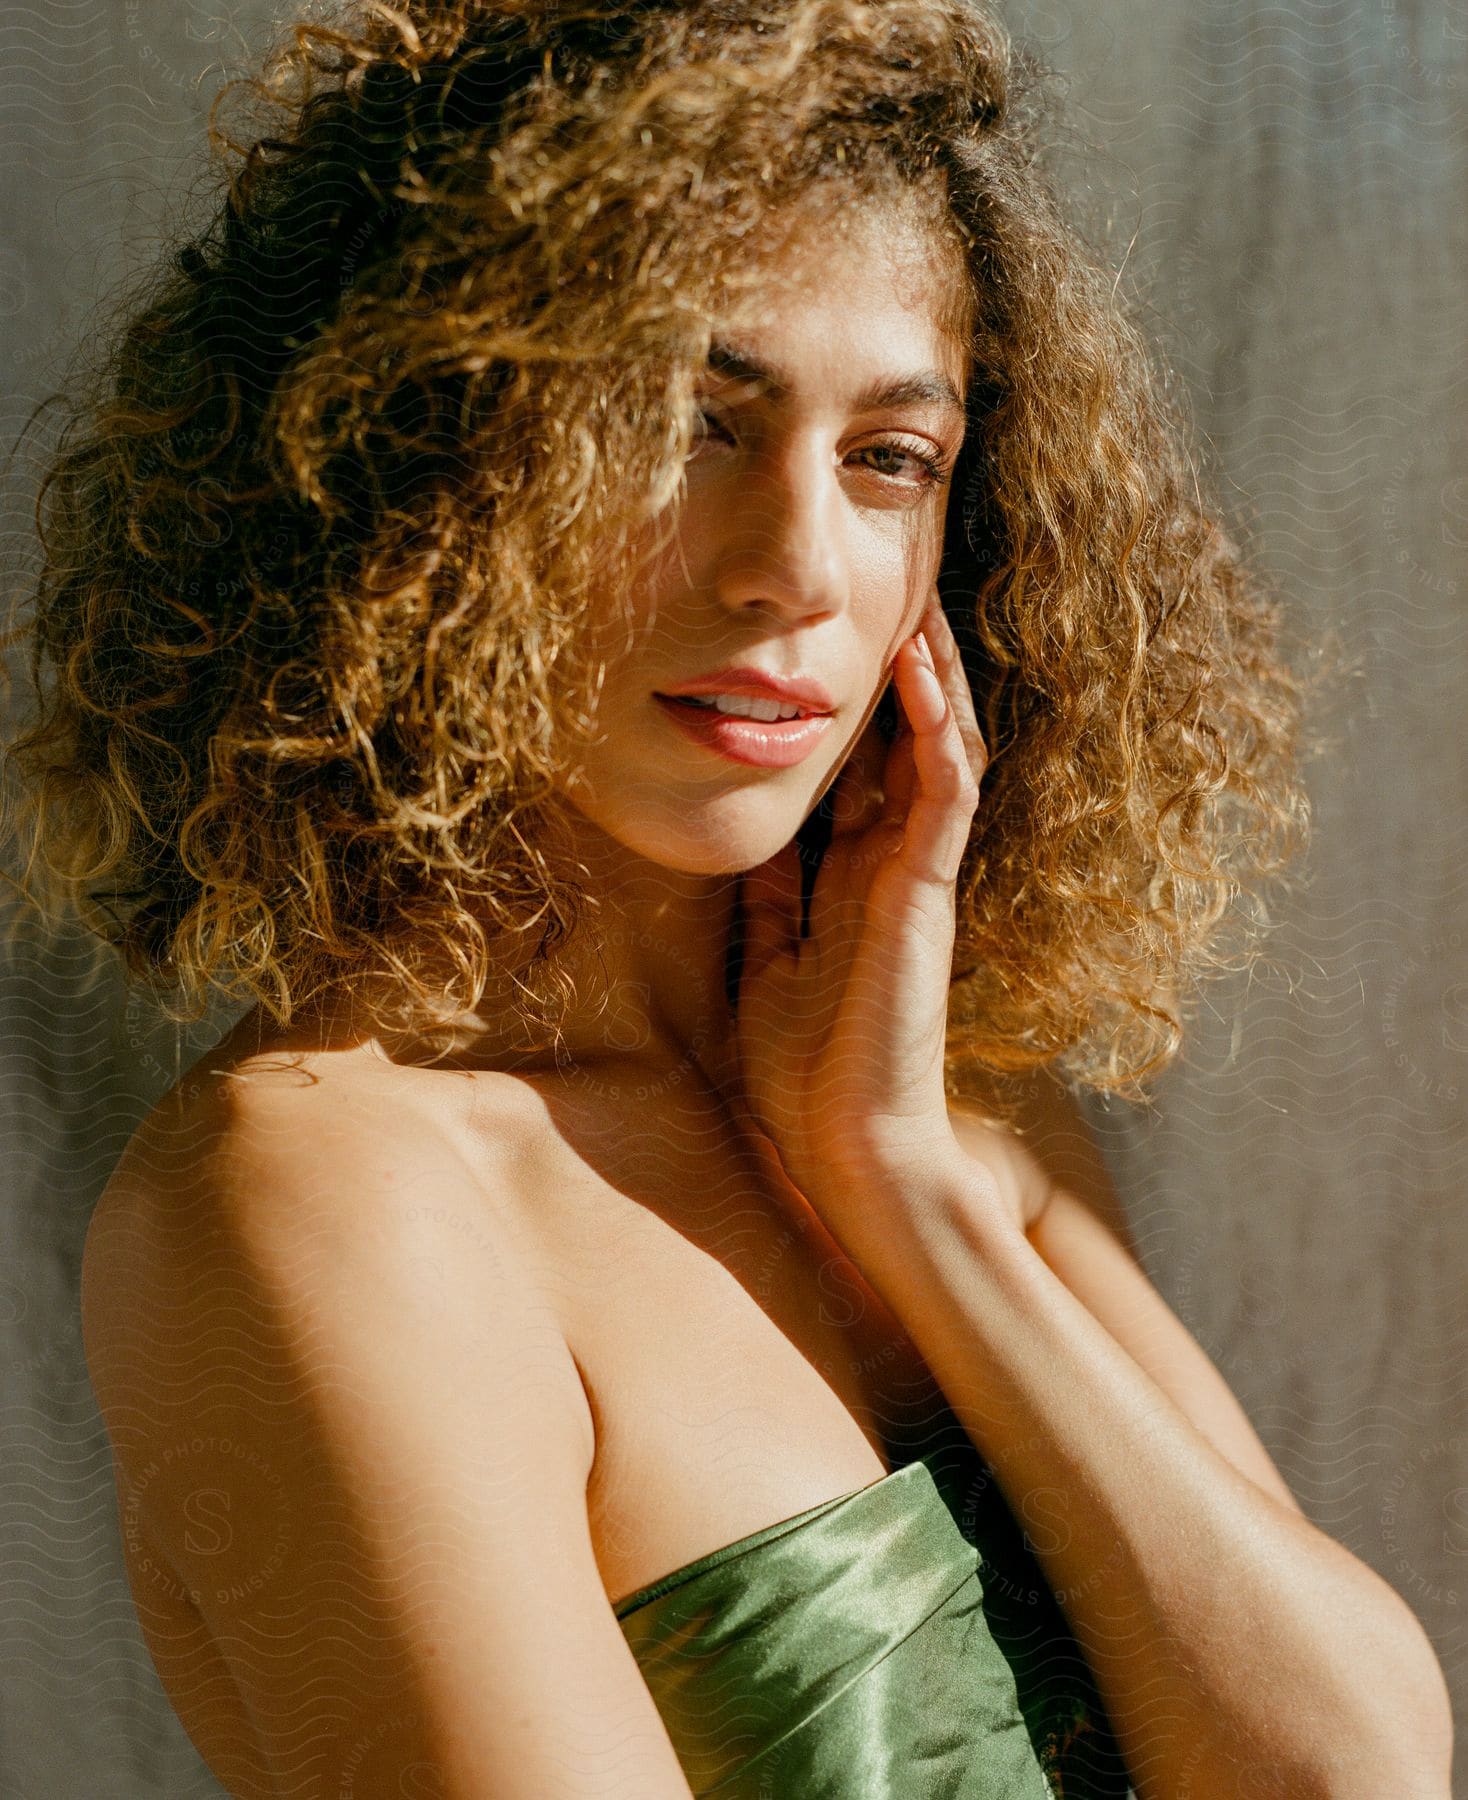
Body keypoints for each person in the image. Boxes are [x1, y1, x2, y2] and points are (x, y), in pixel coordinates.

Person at [2, 1, 1453, 1795]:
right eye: (692, 422)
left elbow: (1354, 1771)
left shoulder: (959, 1108)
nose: (795, 568)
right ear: (419, 463)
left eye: (889, 458)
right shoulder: (322, 1197)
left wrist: (903, 1183)